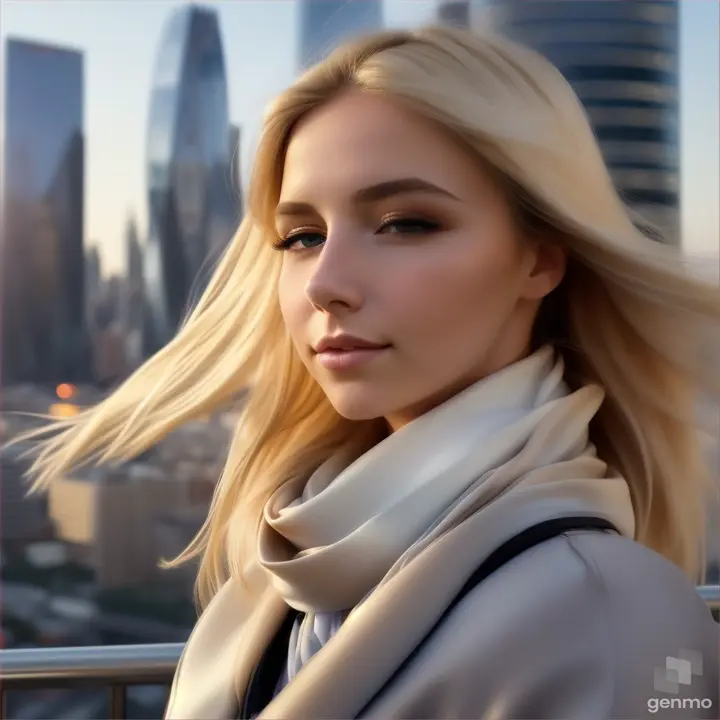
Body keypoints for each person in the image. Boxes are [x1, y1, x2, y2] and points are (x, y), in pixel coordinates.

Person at [19, 26, 720, 719]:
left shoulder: (611, 618)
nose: (325, 282)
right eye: (302, 236)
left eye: (405, 223)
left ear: (540, 259)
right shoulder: (277, 577)